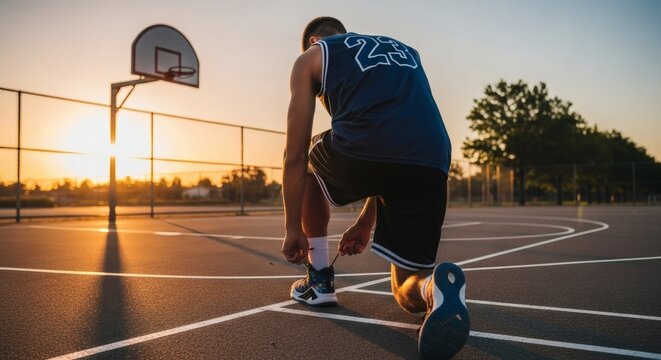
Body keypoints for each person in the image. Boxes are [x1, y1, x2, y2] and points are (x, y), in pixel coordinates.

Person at [281, 16, 470, 359]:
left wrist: (293, 228)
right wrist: (366, 223)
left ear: (313, 42)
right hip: (432, 158)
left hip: (369, 147)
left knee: (309, 156)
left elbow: (292, 155)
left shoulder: (314, 56)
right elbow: (395, 143)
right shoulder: (405, 51)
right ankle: (432, 290)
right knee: (405, 292)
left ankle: (319, 279)